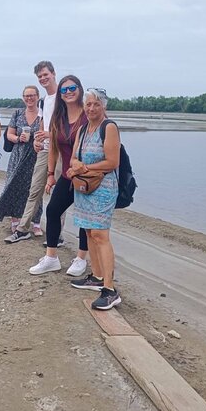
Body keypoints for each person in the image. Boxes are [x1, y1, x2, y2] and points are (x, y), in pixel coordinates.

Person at [28, 75, 90, 276]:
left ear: (79, 89)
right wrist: (50, 174)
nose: (68, 92)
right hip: (66, 175)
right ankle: (51, 258)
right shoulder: (58, 116)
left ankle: (81, 258)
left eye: (72, 88)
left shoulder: (87, 115)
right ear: (60, 95)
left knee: (83, 218)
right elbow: (54, 146)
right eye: (64, 90)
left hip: (87, 177)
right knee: (53, 210)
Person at [68, 88, 121, 310]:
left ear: (103, 107)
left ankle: (110, 290)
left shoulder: (108, 128)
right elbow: (72, 158)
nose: (91, 109)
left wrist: (85, 166)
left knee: (100, 234)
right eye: (88, 104)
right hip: (84, 188)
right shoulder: (82, 129)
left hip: (103, 188)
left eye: (96, 105)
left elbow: (112, 162)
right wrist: (74, 167)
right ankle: (97, 277)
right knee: (89, 231)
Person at [4, 61, 56, 241]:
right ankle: (21, 226)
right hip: (30, 152)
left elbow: (64, 126)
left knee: (48, 192)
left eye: (45, 75)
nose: (29, 98)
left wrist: (43, 136)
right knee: (27, 189)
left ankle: (48, 229)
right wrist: (29, 139)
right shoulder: (24, 111)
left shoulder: (59, 99)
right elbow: (11, 132)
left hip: (52, 152)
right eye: (40, 76)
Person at [0, 85, 42, 228]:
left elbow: (47, 133)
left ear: (38, 96)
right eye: (26, 96)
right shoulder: (18, 113)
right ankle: (15, 220)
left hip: (35, 155)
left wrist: (37, 138)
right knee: (14, 186)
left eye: (32, 95)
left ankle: (36, 222)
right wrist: (19, 138)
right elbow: (9, 134)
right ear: (23, 98)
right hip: (18, 154)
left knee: (35, 188)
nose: (29, 98)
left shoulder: (43, 114)